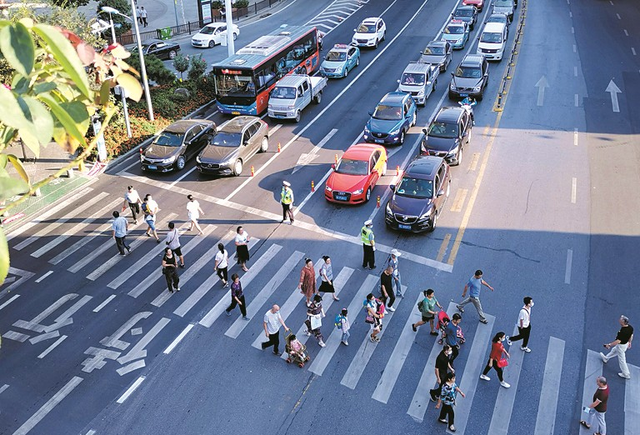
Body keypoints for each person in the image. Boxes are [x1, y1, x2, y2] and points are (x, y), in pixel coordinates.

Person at [600, 315, 634, 379]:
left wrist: (609, 345)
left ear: (623, 322)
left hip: (621, 346)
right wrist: (629, 342)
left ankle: (626, 374)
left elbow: (618, 341)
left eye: (621, 319)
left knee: (622, 360)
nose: (619, 320)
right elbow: (631, 335)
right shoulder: (630, 328)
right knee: (614, 350)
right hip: (625, 344)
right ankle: (606, 358)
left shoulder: (623, 331)